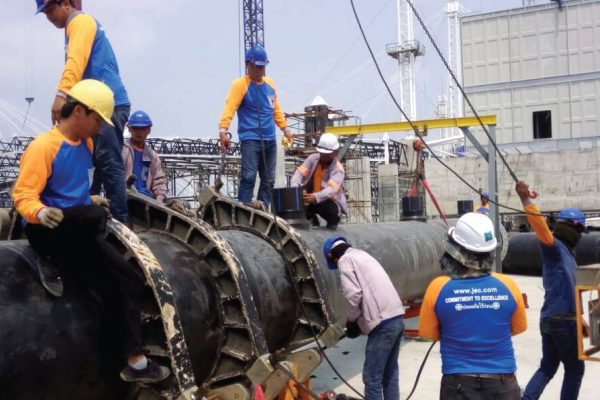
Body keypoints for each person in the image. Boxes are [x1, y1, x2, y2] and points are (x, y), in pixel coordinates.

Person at [12, 79, 169, 383]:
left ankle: (134, 363)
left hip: (77, 228)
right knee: (96, 215)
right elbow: (23, 196)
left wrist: (89, 202)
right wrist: (42, 212)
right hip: (47, 229)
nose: (99, 127)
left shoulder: (86, 145)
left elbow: (78, 192)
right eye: (97, 119)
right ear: (80, 111)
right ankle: (52, 255)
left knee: (128, 279)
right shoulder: (45, 146)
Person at [36, 0, 130, 222]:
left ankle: (123, 223)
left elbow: (76, 61)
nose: (48, 17)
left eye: (50, 9)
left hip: (107, 104)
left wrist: (61, 96)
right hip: (94, 103)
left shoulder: (80, 22)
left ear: (66, 4)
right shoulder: (77, 26)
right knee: (90, 161)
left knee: (107, 161)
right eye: (45, 12)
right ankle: (89, 218)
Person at [419, 212, 527, 400]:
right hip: (502, 383)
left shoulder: (438, 288)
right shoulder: (508, 285)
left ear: (454, 249)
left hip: (458, 384)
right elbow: (519, 327)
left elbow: (428, 333)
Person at [517, 181, 588, 400]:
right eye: (578, 229)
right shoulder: (555, 248)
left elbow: (568, 288)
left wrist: (581, 319)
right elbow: (540, 227)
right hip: (563, 322)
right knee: (575, 370)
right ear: (570, 226)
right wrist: (525, 199)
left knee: (548, 367)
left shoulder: (566, 254)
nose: (580, 235)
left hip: (551, 319)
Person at [323, 236, 405, 400]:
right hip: (396, 318)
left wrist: (351, 321)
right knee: (390, 373)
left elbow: (354, 295)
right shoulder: (363, 255)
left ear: (332, 255)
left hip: (383, 324)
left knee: (372, 377)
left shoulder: (345, 260)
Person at [218, 44, 294, 207]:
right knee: (249, 176)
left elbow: (276, 109)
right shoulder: (240, 85)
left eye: (263, 67)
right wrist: (223, 130)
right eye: (257, 67)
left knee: (268, 180)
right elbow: (230, 106)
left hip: (269, 140)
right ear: (248, 65)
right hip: (251, 139)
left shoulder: (270, 84)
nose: (261, 71)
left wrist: (285, 128)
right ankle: (244, 209)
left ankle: (262, 209)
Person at [290, 133, 347, 229]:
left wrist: (316, 197)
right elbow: (299, 173)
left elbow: (331, 189)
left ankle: (332, 224)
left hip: (329, 203)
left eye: (327, 154)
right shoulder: (313, 159)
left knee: (332, 212)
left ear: (335, 152)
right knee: (296, 212)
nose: (324, 156)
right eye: (322, 154)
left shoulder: (338, 169)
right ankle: (311, 218)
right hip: (311, 200)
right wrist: (295, 189)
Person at [122, 111, 167, 203]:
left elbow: (159, 181)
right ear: (129, 129)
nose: (139, 132)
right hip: (123, 196)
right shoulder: (122, 150)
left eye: (142, 129)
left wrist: (159, 200)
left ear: (149, 130)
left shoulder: (153, 156)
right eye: (135, 128)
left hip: (144, 199)